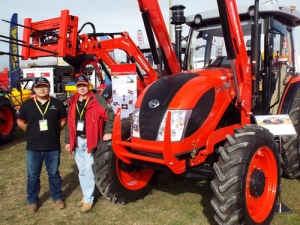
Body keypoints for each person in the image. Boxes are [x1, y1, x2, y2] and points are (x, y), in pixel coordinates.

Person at [64, 75, 114, 213]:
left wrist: (108, 131)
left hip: (91, 139)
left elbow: (110, 115)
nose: (82, 88)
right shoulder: (72, 101)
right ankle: (86, 195)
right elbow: (70, 122)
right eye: (79, 85)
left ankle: (88, 199)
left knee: (87, 168)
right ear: (76, 87)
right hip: (77, 140)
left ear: (88, 86)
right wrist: (68, 141)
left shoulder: (97, 99)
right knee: (82, 170)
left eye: (84, 85)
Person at [17, 77, 67, 214]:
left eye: (44, 86)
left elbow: (63, 121)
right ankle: (32, 201)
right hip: (33, 148)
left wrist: (54, 131)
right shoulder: (27, 105)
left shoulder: (57, 104)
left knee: (54, 174)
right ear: (34, 89)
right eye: (39, 86)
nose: (42, 89)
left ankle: (57, 198)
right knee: (32, 175)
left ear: (49, 88)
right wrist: (32, 131)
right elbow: (20, 122)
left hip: (52, 146)